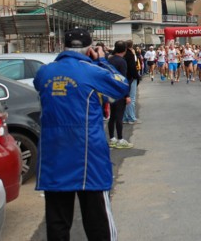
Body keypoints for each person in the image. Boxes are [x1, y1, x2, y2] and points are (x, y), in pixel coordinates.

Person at [33, 28, 129, 241]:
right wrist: (101, 60)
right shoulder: (91, 70)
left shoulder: (44, 72)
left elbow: (40, 86)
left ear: (63, 46)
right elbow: (121, 85)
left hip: (54, 155)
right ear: (89, 48)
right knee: (98, 222)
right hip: (88, 156)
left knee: (57, 222)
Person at [107, 41, 133, 149]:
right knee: (119, 116)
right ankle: (120, 139)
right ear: (125, 50)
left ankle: (112, 138)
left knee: (112, 116)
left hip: (109, 91)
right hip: (119, 92)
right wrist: (126, 95)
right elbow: (123, 79)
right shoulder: (122, 62)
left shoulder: (109, 60)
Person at [122, 40, 141, 125]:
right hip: (131, 78)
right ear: (132, 46)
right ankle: (131, 118)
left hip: (123, 79)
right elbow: (133, 67)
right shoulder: (130, 55)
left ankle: (125, 117)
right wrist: (137, 77)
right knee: (131, 99)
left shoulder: (122, 54)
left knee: (126, 99)